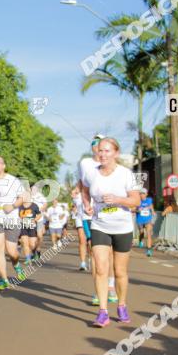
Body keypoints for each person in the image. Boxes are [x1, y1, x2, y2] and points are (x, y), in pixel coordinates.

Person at [81, 137, 141, 328]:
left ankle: (122, 305)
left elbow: (136, 201)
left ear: (115, 153)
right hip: (100, 225)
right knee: (100, 268)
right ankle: (103, 312)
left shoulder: (126, 174)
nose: (103, 154)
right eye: (100, 150)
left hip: (122, 227)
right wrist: (87, 205)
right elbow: (84, 189)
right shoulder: (91, 173)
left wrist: (117, 199)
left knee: (120, 271)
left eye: (107, 151)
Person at [79, 135, 118, 305]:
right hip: (91, 215)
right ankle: (98, 291)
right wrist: (83, 200)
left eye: (101, 145)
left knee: (109, 253)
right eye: (94, 143)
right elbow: (83, 185)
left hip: (112, 215)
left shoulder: (114, 166)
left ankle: (110, 286)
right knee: (95, 253)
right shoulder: (86, 163)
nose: (98, 147)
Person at [0, 156, 27, 290]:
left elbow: (22, 198)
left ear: (4, 166)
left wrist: (13, 206)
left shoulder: (13, 180)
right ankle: (4, 280)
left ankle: (17, 266)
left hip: (12, 219)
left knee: (12, 251)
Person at [18, 192, 41, 265]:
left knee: (32, 244)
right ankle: (28, 259)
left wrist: (34, 220)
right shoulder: (19, 206)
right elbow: (16, 215)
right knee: (25, 243)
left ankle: (34, 253)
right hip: (23, 226)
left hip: (32, 226)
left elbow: (39, 215)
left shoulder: (34, 206)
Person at [71, 188, 90, 271]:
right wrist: (74, 209)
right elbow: (74, 204)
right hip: (79, 218)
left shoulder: (92, 191)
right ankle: (83, 263)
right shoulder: (76, 194)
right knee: (82, 240)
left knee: (90, 242)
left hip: (91, 218)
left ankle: (90, 257)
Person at [136, 189, 155, 257]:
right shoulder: (137, 201)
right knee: (141, 233)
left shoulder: (149, 200)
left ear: (146, 194)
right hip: (140, 220)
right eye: (141, 193)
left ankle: (149, 250)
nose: (142, 195)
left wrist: (153, 212)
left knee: (149, 234)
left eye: (143, 193)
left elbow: (151, 207)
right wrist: (138, 210)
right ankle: (141, 240)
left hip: (148, 220)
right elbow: (133, 209)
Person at [31, 184, 48, 259]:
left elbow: (45, 204)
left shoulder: (40, 196)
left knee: (39, 236)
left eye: (35, 188)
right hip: (30, 220)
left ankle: (38, 249)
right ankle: (33, 252)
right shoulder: (28, 196)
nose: (34, 190)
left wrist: (41, 209)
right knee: (32, 237)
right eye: (32, 188)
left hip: (39, 219)